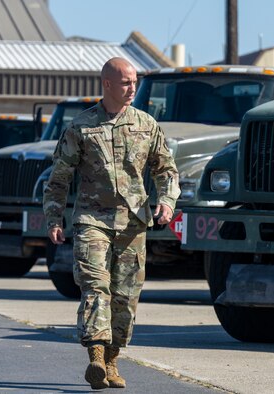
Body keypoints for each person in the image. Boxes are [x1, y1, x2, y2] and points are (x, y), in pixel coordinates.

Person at [43, 57, 180, 389]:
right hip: (92, 221)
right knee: (95, 287)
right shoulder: (81, 127)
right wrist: (53, 217)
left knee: (126, 296)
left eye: (134, 81)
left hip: (133, 224)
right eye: (125, 82)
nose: (132, 87)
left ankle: (112, 359)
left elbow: (166, 170)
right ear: (106, 84)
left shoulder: (147, 125)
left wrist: (166, 200)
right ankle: (95, 356)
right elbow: (58, 178)